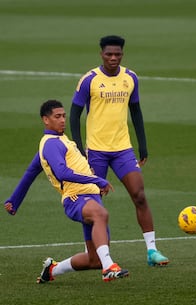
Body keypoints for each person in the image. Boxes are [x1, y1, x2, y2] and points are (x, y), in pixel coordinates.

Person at [4, 100, 129, 283]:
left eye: (64, 116)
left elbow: (31, 172)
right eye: (57, 116)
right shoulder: (51, 144)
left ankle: (53, 269)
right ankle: (109, 267)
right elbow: (62, 173)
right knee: (100, 215)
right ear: (45, 120)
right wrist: (97, 179)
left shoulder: (59, 140)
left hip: (90, 196)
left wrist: (14, 200)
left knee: (93, 260)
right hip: (76, 197)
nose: (63, 120)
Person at [70, 35, 168, 266]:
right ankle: (93, 252)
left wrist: (142, 143)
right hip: (96, 152)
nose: (113, 58)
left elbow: (136, 111)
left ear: (122, 54)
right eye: (109, 54)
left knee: (140, 196)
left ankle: (152, 251)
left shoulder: (130, 77)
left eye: (117, 54)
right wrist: (77, 148)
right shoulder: (89, 80)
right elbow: (74, 114)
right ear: (101, 54)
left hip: (123, 149)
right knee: (93, 203)